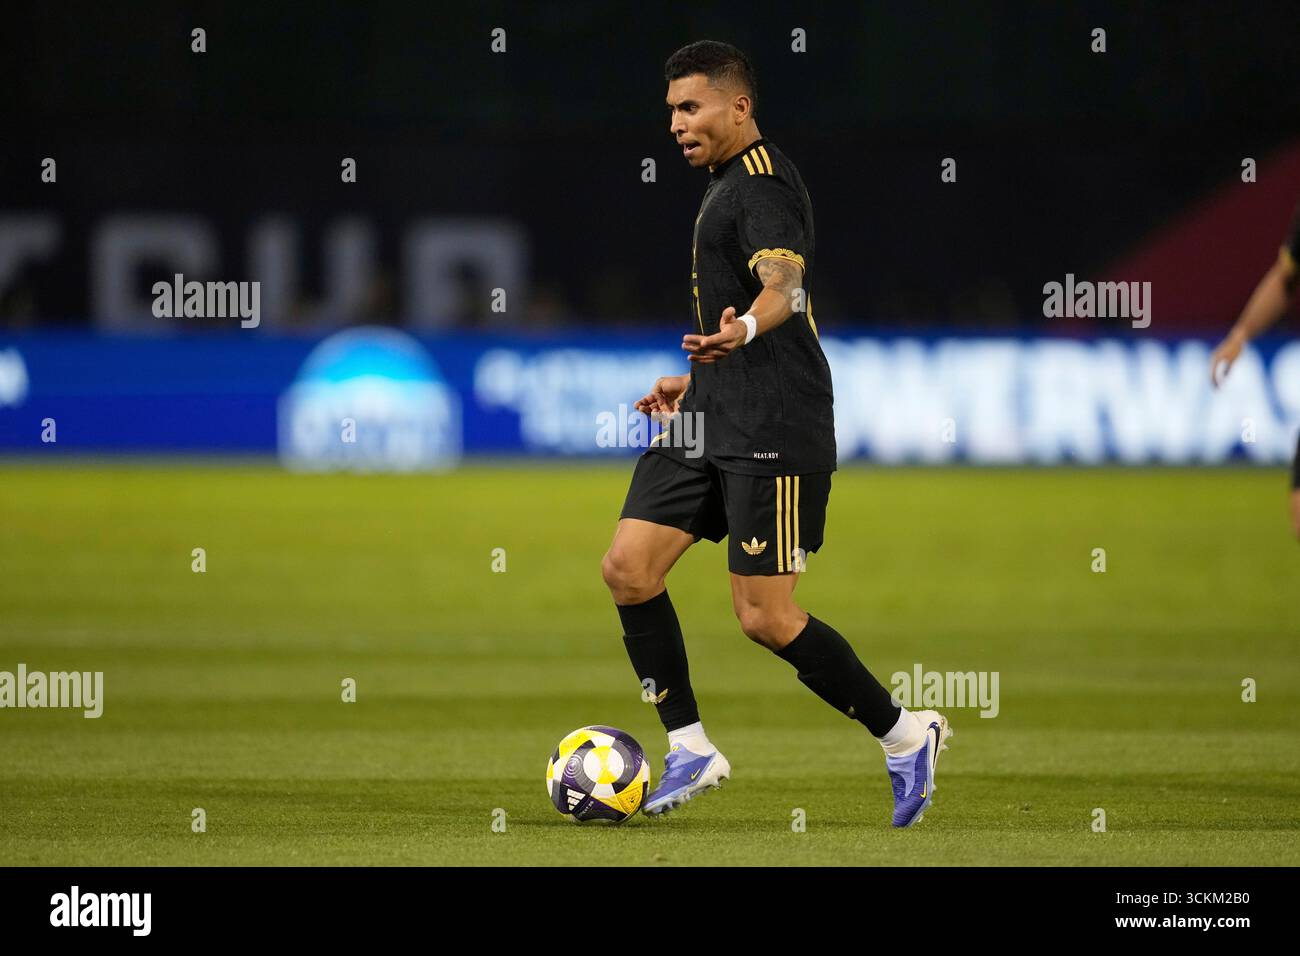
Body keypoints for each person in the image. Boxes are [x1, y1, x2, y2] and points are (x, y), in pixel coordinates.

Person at [601, 41, 952, 828]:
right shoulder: (725, 184)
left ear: (739, 108)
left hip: (776, 425)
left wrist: (748, 331)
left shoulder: (762, 185)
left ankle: (905, 735)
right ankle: (690, 745)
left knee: (763, 616)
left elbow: (785, 283)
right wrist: (701, 375)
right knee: (627, 567)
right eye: (670, 112)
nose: (676, 125)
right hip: (713, 410)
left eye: (690, 108)